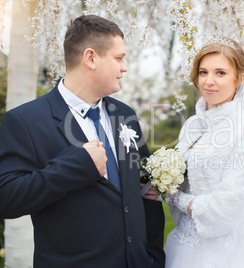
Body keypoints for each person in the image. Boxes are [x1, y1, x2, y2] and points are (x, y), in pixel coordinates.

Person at [0, 15, 165, 268]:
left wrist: (152, 256)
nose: (125, 67)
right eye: (119, 58)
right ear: (90, 58)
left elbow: (146, 192)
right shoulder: (24, 121)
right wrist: (77, 165)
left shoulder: (125, 115)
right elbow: (7, 198)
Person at [144, 37, 244, 267]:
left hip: (230, 251)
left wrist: (173, 197)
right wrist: (161, 181)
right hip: (184, 245)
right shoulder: (192, 125)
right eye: (203, 72)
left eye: (220, 73)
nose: (209, 81)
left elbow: (229, 204)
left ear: (239, 79)